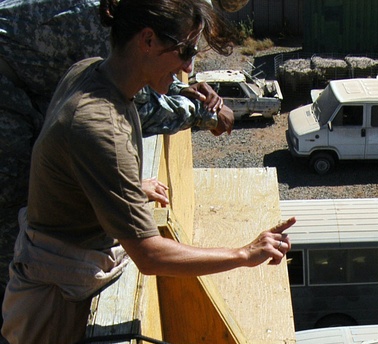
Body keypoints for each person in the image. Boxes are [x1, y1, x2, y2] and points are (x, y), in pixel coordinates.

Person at [2, 0, 294, 344]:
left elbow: (57, 155)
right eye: (183, 52)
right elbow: (152, 256)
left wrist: (123, 189)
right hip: (51, 292)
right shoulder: (101, 125)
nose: (186, 69)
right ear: (146, 41)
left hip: (63, 266)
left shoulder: (94, 78)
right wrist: (244, 253)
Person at [0, 0, 235, 210]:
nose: (187, 67)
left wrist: (180, 88)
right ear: (149, 37)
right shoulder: (102, 23)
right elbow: (136, 108)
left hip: (23, 83)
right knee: (19, 198)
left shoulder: (127, 14)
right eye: (184, 51)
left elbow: (142, 71)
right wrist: (205, 114)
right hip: (8, 91)